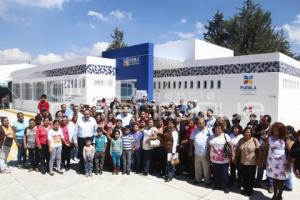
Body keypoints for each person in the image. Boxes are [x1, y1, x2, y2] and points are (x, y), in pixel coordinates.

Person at [262, 122, 293, 200]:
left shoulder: (285, 137)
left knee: (281, 180)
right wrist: (264, 159)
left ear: (281, 130)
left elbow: (291, 151)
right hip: (272, 162)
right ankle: (275, 194)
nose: (275, 131)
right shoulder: (269, 137)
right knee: (274, 179)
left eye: (277, 130)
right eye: (274, 130)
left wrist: (289, 162)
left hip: (282, 162)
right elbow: (266, 148)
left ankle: (280, 195)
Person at [209, 121, 234, 193]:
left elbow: (231, 146)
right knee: (216, 173)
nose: (217, 129)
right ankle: (217, 185)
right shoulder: (212, 136)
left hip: (224, 160)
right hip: (214, 159)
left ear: (222, 129)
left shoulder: (225, 136)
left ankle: (225, 186)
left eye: (219, 128)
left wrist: (233, 155)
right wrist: (208, 155)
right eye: (216, 128)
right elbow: (209, 147)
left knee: (224, 174)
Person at [236, 127, 260, 196]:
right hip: (243, 161)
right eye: (246, 132)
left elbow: (259, 149)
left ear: (251, 133)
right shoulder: (241, 140)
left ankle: (250, 190)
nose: (248, 133)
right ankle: (245, 189)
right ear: (244, 133)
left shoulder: (254, 140)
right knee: (244, 177)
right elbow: (238, 149)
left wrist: (259, 159)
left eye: (249, 132)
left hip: (252, 162)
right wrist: (236, 158)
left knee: (251, 177)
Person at [189, 118, 212, 186]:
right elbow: (191, 140)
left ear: (204, 123)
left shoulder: (209, 131)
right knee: (197, 167)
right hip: (197, 153)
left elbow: (211, 142)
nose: (199, 125)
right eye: (198, 123)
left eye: (200, 123)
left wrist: (209, 153)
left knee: (206, 168)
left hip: (205, 153)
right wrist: (190, 150)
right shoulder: (195, 130)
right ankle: (198, 179)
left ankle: (207, 181)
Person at [75, 110, 97, 174]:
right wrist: (75, 141)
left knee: (91, 154)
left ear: (90, 114)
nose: (86, 115)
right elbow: (75, 131)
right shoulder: (79, 120)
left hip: (91, 139)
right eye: (85, 114)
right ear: (83, 114)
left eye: (88, 114)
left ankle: (92, 169)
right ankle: (82, 169)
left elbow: (96, 130)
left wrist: (94, 140)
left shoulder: (93, 120)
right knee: (82, 154)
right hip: (81, 139)